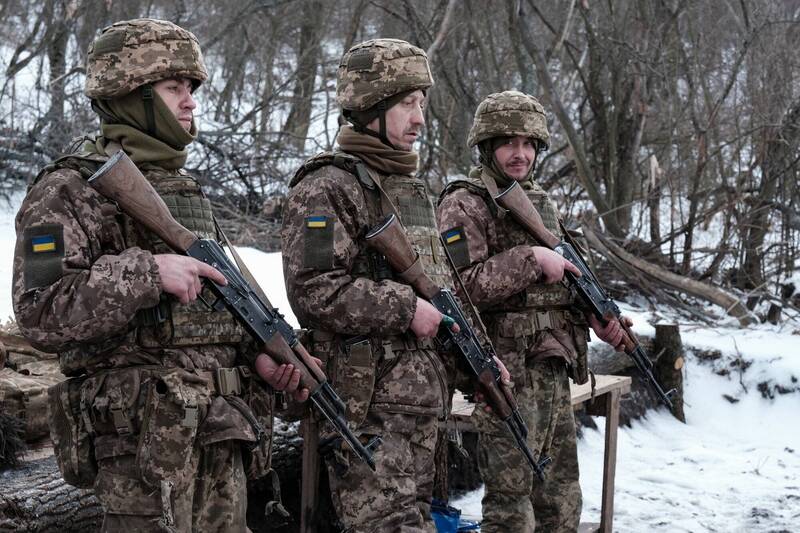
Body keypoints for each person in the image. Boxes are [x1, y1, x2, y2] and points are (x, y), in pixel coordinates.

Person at [12, 18, 307, 532]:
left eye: (192, 88)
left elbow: (213, 311)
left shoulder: (183, 190)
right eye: (174, 88)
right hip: (141, 451)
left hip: (220, 437)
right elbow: (40, 311)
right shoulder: (68, 189)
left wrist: (258, 359)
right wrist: (147, 271)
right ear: (131, 95)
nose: (190, 101)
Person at [282, 38, 471, 532]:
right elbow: (314, 291)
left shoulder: (410, 190)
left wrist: (480, 358)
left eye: (422, 103)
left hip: (421, 413)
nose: (420, 119)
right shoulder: (327, 186)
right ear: (370, 106)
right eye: (407, 103)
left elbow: (444, 288)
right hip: (367, 415)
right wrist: (406, 309)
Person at [436, 91, 628, 533]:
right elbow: (459, 288)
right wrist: (531, 259)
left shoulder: (537, 201)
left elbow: (559, 283)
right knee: (511, 504)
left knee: (561, 497)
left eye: (528, 144)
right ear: (487, 146)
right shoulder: (463, 203)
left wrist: (593, 315)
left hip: (552, 371)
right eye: (508, 143)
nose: (520, 153)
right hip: (505, 374)